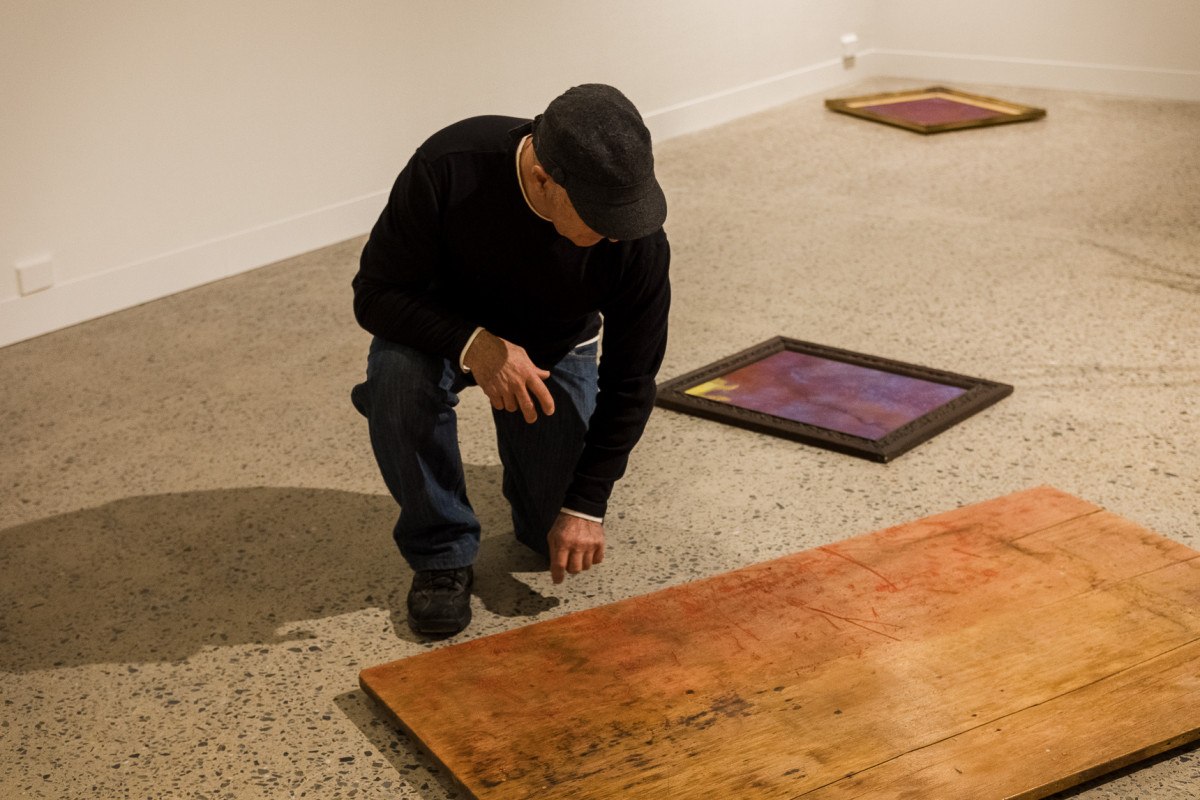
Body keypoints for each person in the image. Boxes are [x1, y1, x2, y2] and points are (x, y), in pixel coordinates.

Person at [350, 84, 671, 636]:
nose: (617, 232)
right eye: (599, 217)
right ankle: (441, 554)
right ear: (545, 179)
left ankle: (520, 464)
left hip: (556, 344)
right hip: (441, 334)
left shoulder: (633, 238)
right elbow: (375, 293)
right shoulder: (449, 166)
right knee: (399, 377)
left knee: (544, 527)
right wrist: (478, 345)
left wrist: (586, 505)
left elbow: (633, 377)